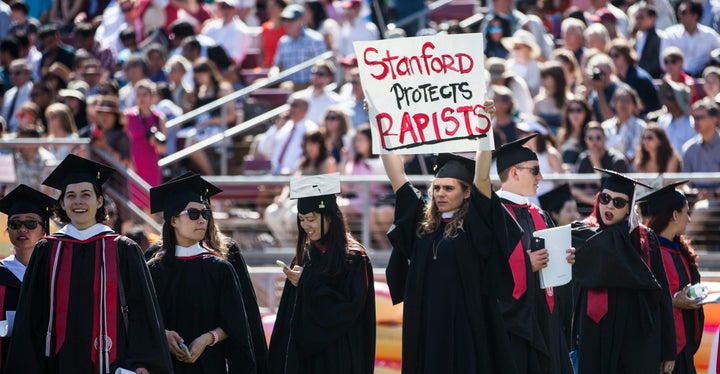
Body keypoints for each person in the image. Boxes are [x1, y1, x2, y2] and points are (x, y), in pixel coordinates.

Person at [381, 100, 520, 373]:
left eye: (448, 188)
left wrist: (483, 127)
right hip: (426, 323)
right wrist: (379, 120)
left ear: (466, 192)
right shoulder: (423, 223)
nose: (440, 194)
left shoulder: (474, 224)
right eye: (437, 188)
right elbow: (396, 174)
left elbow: (481, 179)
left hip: (464, 324)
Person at [5, 154, 173, 373]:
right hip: (56, 364)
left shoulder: (123, 249)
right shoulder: (47, 250)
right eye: (71, 196)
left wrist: (142, 364)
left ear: (99, 201)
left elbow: (142, 311)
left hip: (114, 364)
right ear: (62, 203)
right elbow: (30, 317)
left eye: (86, 194)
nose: (78, 202)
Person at [148, 173, 257, 373]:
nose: (201, 220)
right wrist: (162, 334)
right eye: (193, 214)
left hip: (209, 364)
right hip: (165, 365)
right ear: (173, 220)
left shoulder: (220, 268)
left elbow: (236, 323)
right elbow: (141, 319)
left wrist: (208, 338)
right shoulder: (153, 269)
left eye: (205, 214)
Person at [268, 173, 375, 374]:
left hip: (339, 356)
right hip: (305, 359)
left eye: (311, 219)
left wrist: (307, 282)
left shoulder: (354, 258)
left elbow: (347, 310)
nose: (306, 226)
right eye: (301, 220)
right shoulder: (306, 255)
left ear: (329, 217)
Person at [571, 168, 676, 374]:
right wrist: (623, 231)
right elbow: (604, 245)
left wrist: (668, 350)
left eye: (618, 202)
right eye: (605, 198)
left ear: (630, 209)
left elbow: (661, 294)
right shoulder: (584, 232)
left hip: (635, 334)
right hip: (595, 333)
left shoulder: (646, 239)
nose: (609, 206)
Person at [492, 134, 574, 374]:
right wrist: (525, 265)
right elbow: (484, 270)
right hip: (514, 326)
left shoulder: (538, 213)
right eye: (535, 170)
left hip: (545, 319)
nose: (541, 177)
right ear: (515, 173)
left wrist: (564, 261)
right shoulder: (492, 215)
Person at [641, 181, 704, 374]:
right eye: (686, 212)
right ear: (675, 215)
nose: (690, 220)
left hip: (684, 347)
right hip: (662, 348)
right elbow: (644, 301)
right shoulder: (647, 253)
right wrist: (675, 301)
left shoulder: (681, 252)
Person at [0, 184, 55, 372]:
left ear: (44, 231)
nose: (22, 229)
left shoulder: (55, 273)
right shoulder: (2, 273)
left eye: (31, 223)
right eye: (14, 224)